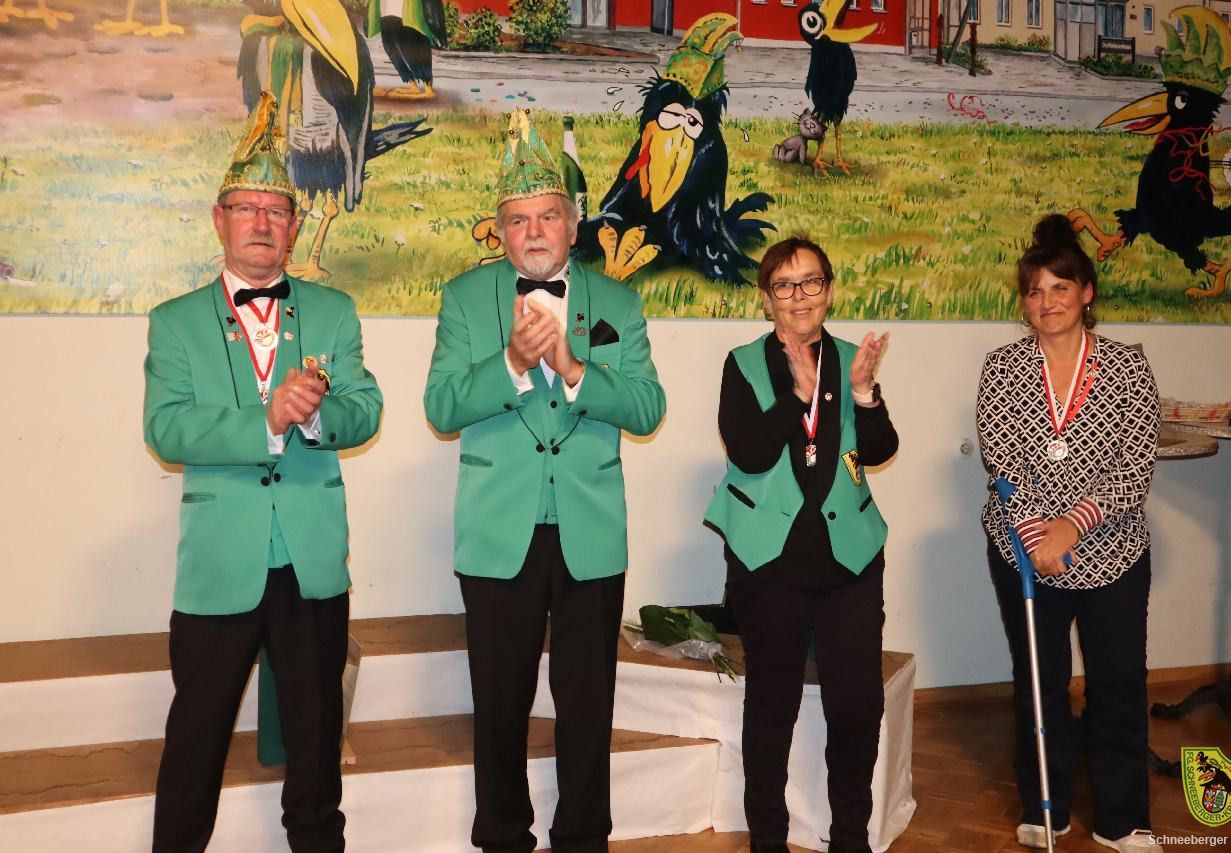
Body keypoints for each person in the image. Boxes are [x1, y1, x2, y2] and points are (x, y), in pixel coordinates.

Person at [143, 92, 383, 852]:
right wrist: (267, 420)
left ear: (295, 225)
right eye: (246, 209)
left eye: (277, 210)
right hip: (221, 563)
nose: (262, 222)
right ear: (219, 220)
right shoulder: (174, 321)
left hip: (311, 560)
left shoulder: (335, 311)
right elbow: (166, 428)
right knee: (197, 737)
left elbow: (366, 410)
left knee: (315, 744)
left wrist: (314, 417)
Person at [424, 110, 666, 853]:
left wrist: (573, 368)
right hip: (498, 530)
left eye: (548, 216)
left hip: (591, 532)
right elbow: (441, 407)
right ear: (499, 232)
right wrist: (511, 365)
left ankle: (583, 837)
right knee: (499, 704)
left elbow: (647, 408)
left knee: (588, 704)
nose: (534, 231)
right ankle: (502, 837)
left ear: (573, 222)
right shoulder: (465, 299)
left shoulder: (618, 303)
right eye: (518, 219)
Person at [704, 235, 897, 853]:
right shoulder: (743, 364)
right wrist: (797, 394)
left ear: (829, 290)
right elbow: (751, 452)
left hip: (849, 558)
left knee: (857, 705)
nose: (799, 296)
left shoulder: (852, 359)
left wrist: (863, 394)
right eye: (784, 285)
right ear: (767, 299)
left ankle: (850, 838)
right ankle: (768, 839)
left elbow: (881, 448)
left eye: (811, 282)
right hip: (770, 561)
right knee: (772, 705)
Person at [977, 213, 1162, 852]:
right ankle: (1044, 806)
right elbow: (1004, 462)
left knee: (1119, 681)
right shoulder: (1002, 369)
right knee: (1040, 681)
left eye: (1060, 288)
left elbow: (1133, 467)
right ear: (1023, 302)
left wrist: (1070, 528)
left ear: (1087, 292)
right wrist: (1039, 538)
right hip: (1025, 552)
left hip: (1112, 550)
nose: (1047, 302)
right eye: (1035, 291)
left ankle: (1122, 818)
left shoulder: (1127, 368)